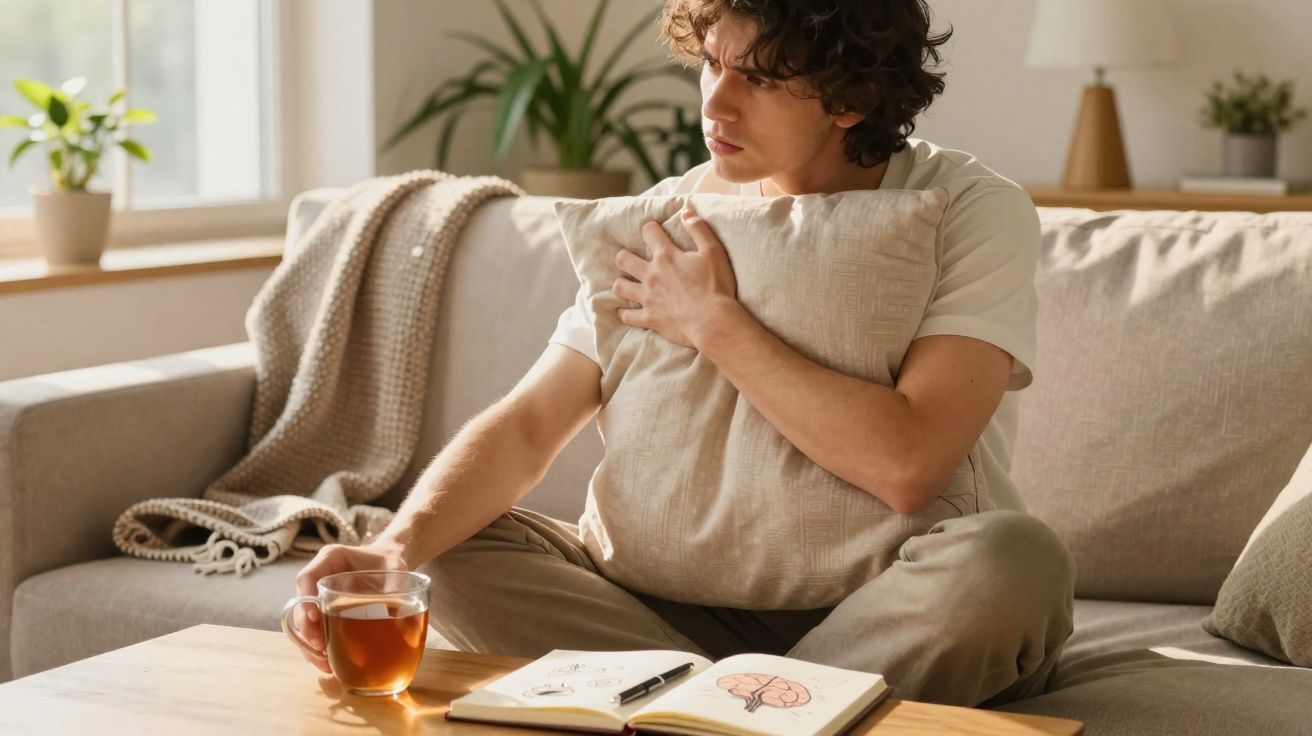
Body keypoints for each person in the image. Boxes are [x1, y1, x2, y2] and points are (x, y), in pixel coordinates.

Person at [292, 0, 1076, 708]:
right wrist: (390, 549)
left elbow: (908, 465)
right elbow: (530, 425)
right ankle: (765, 707)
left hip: (887, 611)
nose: (714, 104)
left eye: (759, 80)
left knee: (1010, 566)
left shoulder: (973, 208)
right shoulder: (667, 218)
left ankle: (699, 706)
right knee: (445, 536)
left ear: (854, 98)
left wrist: (715, 323)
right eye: (710, 64)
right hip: (667, 615)